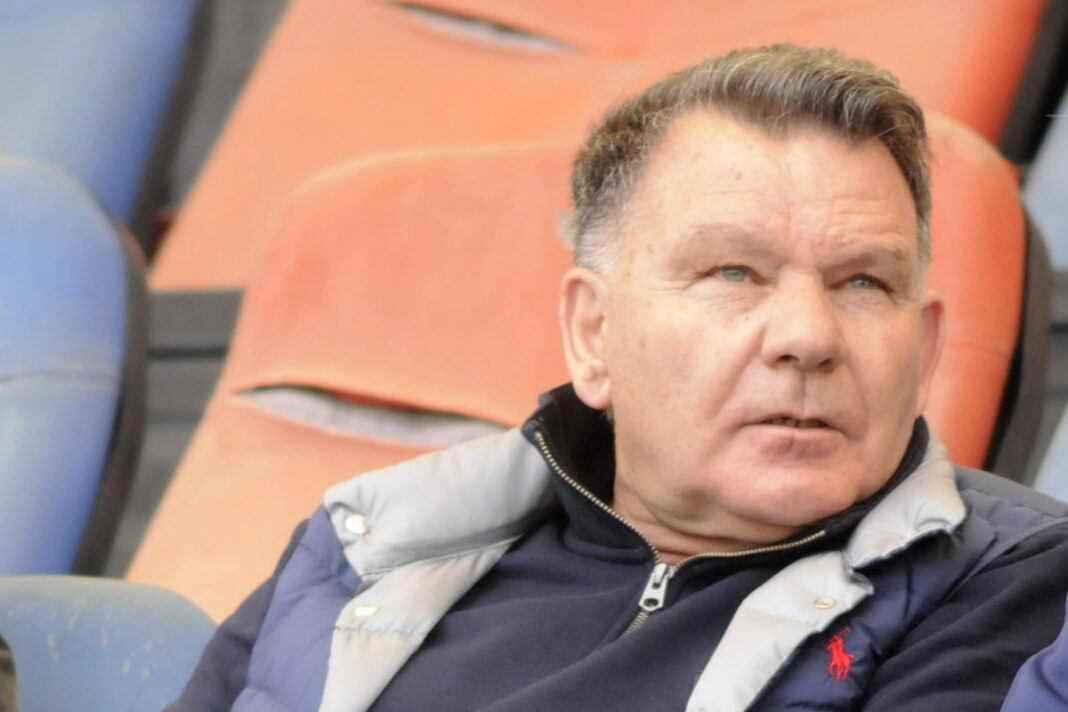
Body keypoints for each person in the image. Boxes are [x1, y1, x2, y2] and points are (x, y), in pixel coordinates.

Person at [168, 44, 1068, 712]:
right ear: (593, 333)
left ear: (928, 348)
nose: (807, 336)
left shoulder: (1011, 584)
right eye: (733, 272)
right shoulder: (368, 547)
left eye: (863, 283)